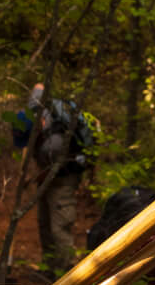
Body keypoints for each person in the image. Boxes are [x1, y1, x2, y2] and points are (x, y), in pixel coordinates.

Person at [10, 83, 94, 272]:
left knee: (59, 227)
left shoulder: (54, 141)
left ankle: (67, 274)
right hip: (49, 177)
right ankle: (50, 269)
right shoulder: (36, 123)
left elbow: (54, 167)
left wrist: (35, 179)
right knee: (44, 223)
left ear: (38, 126)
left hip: (64, 179)